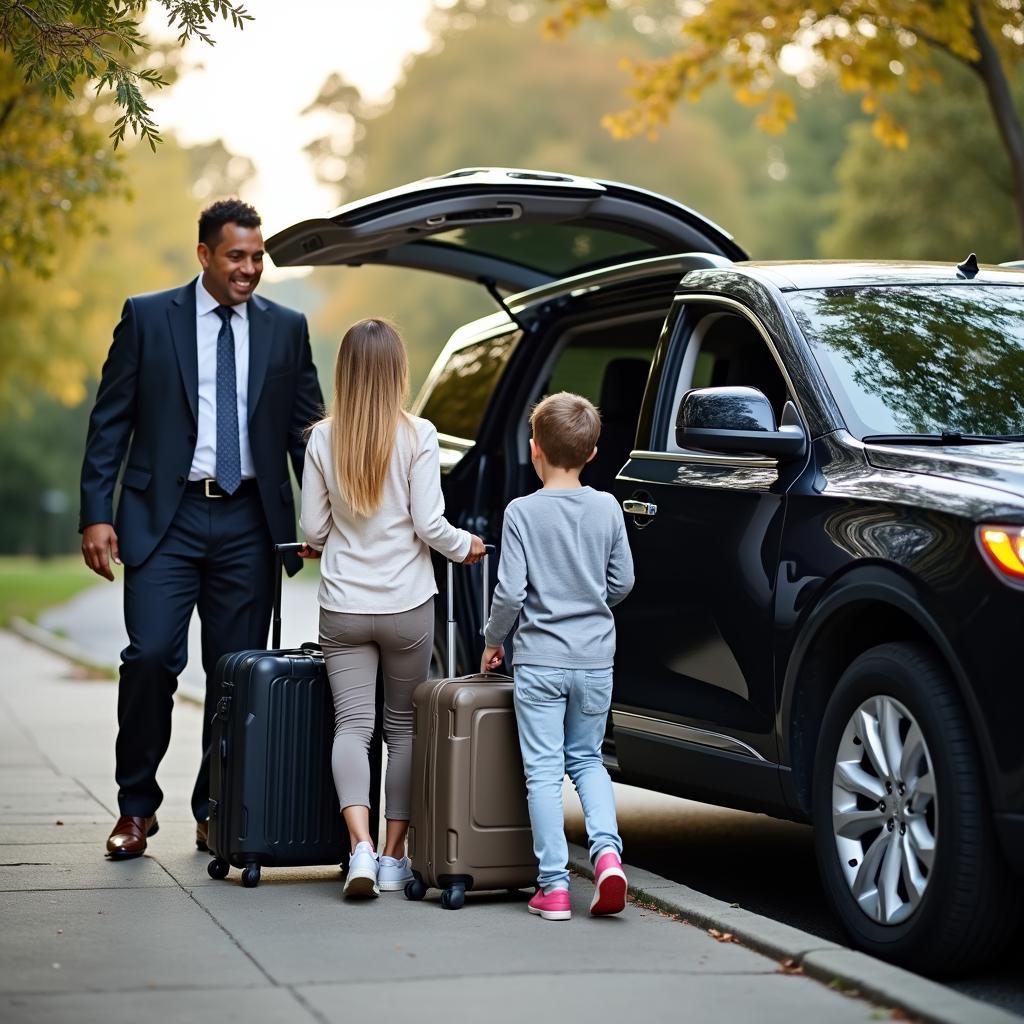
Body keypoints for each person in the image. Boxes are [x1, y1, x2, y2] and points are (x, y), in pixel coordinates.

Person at [79, 199, 323, 860]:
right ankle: (135, 808)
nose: (249, 269)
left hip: (249, 521)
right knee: (151, 656)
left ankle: (216, 811)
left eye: (257, 256)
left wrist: (321, 517)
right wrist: (97, 514)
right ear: (206, 255)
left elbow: (309, 434)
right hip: (166, 518)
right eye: (236, 256)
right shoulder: (149, 317)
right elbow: (110, 424)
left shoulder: (286, 328)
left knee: (234, 676)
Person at [299, 317, 485, 898]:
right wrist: (465, 547)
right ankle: (391, 856)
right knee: (403, 730)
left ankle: (356, 847)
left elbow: (313, 528)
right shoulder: (419, 434)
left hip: (344, 606)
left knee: (352, 728)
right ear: (399, 372)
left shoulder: (323, 438)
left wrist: (334, 538)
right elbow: (431, 524)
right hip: (407, 606)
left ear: (346, 373)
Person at [480, 391, 634, 921]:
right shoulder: (608, 507)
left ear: (533, 450)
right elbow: (623, 581)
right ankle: (608, 855)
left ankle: (554, 887)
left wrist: (493, 639)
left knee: (543, 771)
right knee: (588, 759)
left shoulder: (522, 512)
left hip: (541, 661)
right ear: (593, 454)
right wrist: (592, 602)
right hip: (595, 660)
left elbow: (510, 593)